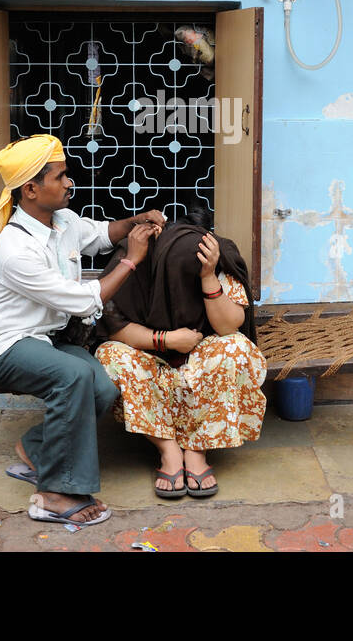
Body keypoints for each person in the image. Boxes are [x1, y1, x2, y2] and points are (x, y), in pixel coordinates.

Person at [0, 133, 165, 526]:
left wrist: (137, 221)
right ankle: (54, 494)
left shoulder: (62, 221)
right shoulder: (16, 249)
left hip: (49, 340)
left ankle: (36, 450)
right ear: (30, 189)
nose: (69, 183)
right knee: (74, 374)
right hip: (8, 349)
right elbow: (82, 301)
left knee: (102, 386)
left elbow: (99, 235)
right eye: (60, 177)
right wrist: (131, 261)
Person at [93, 208, 266, 498]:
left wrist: (207, 275)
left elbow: (229, 327)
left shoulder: (215, 256)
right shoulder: (138, 256)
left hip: (201, 364)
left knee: (237, 348)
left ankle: (197, 450)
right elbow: (114, 328)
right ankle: (168, 449)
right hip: (152, 358)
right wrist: (168, 339)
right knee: (109, 355)